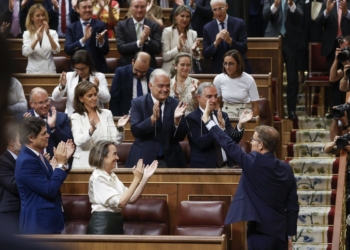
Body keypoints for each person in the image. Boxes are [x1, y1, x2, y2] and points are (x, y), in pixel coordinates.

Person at [201, 103, 299, 249]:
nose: (250, 143)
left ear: (260, 145)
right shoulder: (286, 169)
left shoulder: (252, 163)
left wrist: (209, 122)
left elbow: (228, 144)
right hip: (280, 234)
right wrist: (289, 235)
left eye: (253, 140)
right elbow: (292, 207)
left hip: (260, 233)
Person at [15, 116, 75, 234]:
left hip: (47, 222)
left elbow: (52, 180)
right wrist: (60, 164)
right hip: (38, 225)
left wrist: (63, 161)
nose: (48, 135)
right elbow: (49, 190)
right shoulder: (27, 161)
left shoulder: (37, 156)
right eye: (44, 134)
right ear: (31, 138)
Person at [86, 141, 158, 234]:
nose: (118, 158)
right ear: (103, 157)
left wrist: (144, 178)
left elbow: (131, 199)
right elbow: (121, 203)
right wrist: (136, 178)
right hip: (102, 226)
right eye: (114, 154)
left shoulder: (112, 175)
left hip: (116, 223)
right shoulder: (98, 177)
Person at [126, 69, 188, 168]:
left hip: (171, 160)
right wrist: (152, 119)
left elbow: (180, 137)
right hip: (144, 158)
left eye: (167, 86)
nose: (165, 89)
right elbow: (136, 131)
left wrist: (176, 122)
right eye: (161, 86)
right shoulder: (138, 103)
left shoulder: (176, 104)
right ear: (150, 86)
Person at [185, 82, 248, 168]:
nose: (214, 100)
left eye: (215, 96)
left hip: (226, 167)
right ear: (199, 98)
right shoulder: (191, 118)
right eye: (209, 96)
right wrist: (218, 128)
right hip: (204, 169)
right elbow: (201, 143)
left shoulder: (222, 115)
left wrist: (240, 125)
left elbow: (232, 141)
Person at [71, 81, 129, 169]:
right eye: (90, 96)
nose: (94, 98)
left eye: (95, 94)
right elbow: (78, 141)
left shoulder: (106, 113)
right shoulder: (76, 116)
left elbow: (117, 140)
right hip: (84, 164)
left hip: (106, 162)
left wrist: (120, 127)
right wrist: (91, 130)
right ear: (81, 98)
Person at [263, 0, 304, 120]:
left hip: (291, 40)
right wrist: (275, 5)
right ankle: (274, 109)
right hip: (273, 38)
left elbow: (300, 16)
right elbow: (265, 15)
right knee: (273, 77)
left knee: (292, 78)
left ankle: (291, 110)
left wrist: (291, 4)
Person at [14, 87, 73, 158]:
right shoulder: (20, 118)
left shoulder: (61, 117)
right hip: (31, 161)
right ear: (31, 104)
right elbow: (17, 145)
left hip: (55, 161)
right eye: (41, 103)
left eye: (46, 101)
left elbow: (69, 142)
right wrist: (27, 127)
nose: (45, 105)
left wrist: (53, 127)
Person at [52, 50, 111, 117]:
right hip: (72, 116)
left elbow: (107, 99)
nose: (80, 72)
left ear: (89, 65)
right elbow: (55, 98)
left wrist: (97, 89)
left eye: (83, 69)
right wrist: (62, 86)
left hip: (94, 116)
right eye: (77, 69)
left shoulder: (99, 76)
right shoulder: (69, 76)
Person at [316, 0, 350, 110]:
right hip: (331, 47)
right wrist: (327, 11)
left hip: (347, 45)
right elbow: (318, 22)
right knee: (334, 80)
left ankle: (347, 108)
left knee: (347, 74)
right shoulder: (327, 2)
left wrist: (346, 13)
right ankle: (336, 109)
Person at [203, 0, 252, 75]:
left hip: (239, 69)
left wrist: (230, 41)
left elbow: (244, 49)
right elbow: (206, 54)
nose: (218, 13)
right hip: (218, 70)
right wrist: (215, 43)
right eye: (214, 10)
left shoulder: (239, 23)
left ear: (226, 6)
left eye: (220, 8)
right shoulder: (207, 28)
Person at [65, 0, 109, 73]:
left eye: (90, 7)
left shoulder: (100, 26)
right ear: (77, 9)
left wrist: (101, 42)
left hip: (97, 69)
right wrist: (83, 39)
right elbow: (68, 50)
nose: (88, 10)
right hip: (77, 70)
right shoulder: (71, 28)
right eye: (84, 7)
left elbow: (105, 51)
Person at [115, 0, 162, 69]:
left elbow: (158, 50)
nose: (139, 10)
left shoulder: (154, 25)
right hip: (127, 66)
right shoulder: (122, 25)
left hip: (149, 67)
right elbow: (121, 48)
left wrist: (147, 39)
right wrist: (139, 43)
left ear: (146, 8)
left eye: (142, 7)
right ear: (131, 7)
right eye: (136, 7)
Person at [213, 49, 259, 118]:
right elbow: (217, 103)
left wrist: (255, 124)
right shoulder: (219, 79)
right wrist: (217, 119)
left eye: (231, 64)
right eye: (225, 63)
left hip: (245, 112)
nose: (227, 67)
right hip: (227, 112)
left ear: (238, 64)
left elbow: (255, 105)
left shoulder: (249, 79)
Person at [109, 51, 154, 116]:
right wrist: (117, 119)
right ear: (133, 61)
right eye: (136, 70)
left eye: (143, 72)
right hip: (126, 116)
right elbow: (114, 99)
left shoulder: (153, 74)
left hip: (148, 117)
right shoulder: (121, 73)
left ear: (148, 67)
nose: (139, 74)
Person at [161, 5, 200, 74]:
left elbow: (197, 57)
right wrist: (179, 48)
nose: (185, 19)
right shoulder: (167, 32)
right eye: (182, 16)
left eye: (187, 17)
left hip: (188, 72)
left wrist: (194, 51)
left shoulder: (193, 34)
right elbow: (165, 57)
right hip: (170, 72)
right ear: (176, 17)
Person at [22, 4, 60, 73]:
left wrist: (48, 34)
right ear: (32, 17)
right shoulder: (27, 34)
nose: (41, 18)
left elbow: (56, 50)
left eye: (43, 15)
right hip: (33, 72)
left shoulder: (52, 33)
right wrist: (36, 40)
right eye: (38, 15)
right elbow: (25, 53)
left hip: (49, 71)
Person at [0, 123, 21, 234]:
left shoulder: (22, 159)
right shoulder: (3, 161)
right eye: (21, 138)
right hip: (10, 212)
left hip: (23, 211)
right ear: (10, 141)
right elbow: (14, 185)